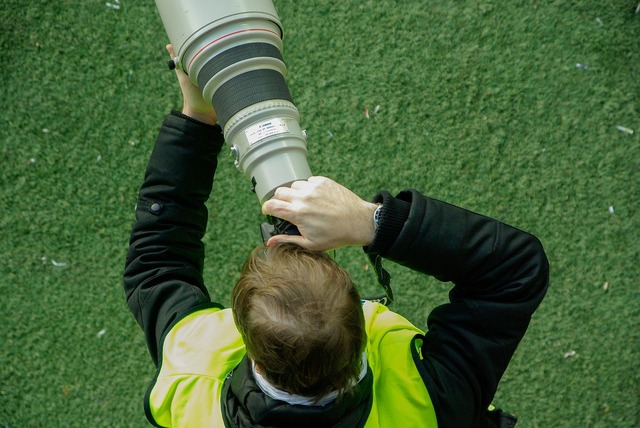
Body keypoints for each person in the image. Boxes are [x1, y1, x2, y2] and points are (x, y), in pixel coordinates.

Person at [123, 46, 549, 428]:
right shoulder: (430, 403)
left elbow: (157, 264)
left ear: (247, 342)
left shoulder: (190, 378)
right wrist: (373, 222)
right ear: (361, 329)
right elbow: (514, 268)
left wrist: (198, 117)